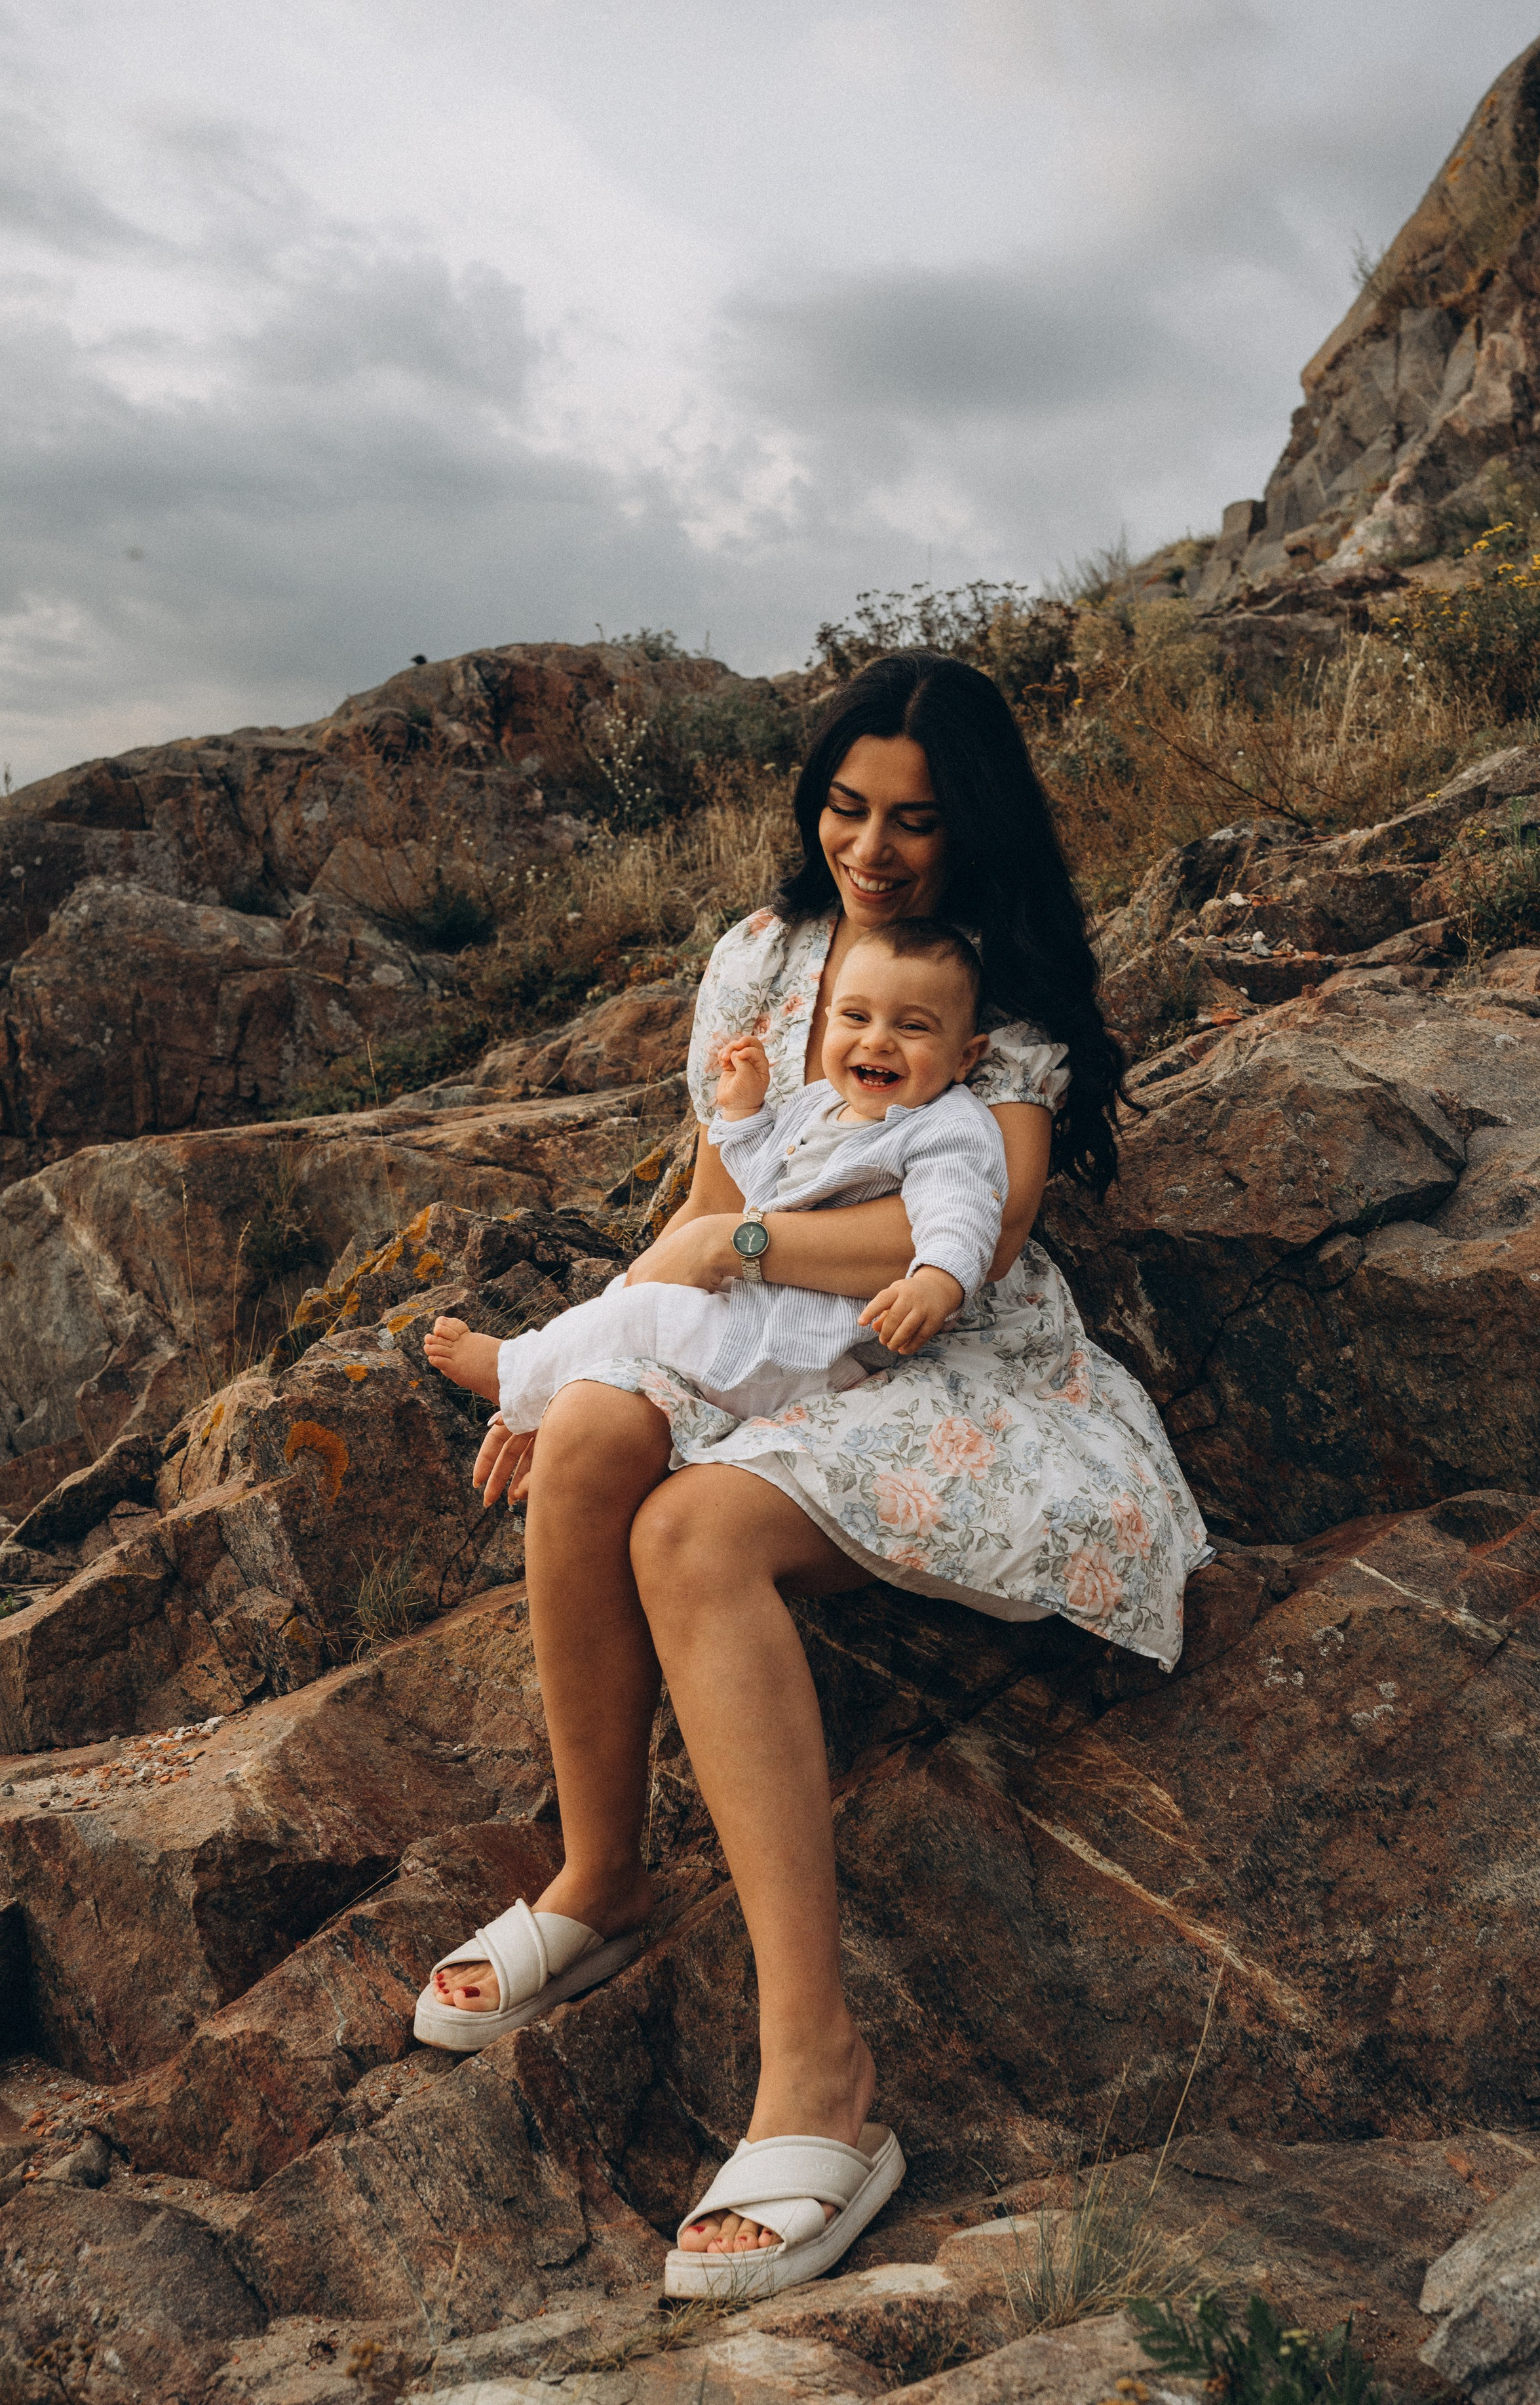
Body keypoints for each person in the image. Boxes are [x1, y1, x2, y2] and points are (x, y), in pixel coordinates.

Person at [410, 651, 1212, 2301]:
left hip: (928, 1344)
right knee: (594, 1447)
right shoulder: (762, 960)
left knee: (693, 1531)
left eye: (912, 820)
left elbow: (970, 1231)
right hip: (749, 1320)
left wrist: (743, 1239)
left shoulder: (1000, 989)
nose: (870, 847)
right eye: (845, 808)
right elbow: (704, 1198)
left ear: (968, 821)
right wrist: (591, 1345)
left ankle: (821, 2085)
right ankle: (597, 1873)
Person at [420, 919, 1008, 1429]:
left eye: (913, 1028)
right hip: (759, 1320)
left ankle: (515, 1372)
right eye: (856, 1016)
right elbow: (766, 1189)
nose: (877, 1040)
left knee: (645, 1315)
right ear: (828, 1020)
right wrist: (745, 1113)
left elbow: (961, 1209)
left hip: (798, 1349)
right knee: (633, 1302)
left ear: (965, 1057)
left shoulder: (948, 1125)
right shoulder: (816, 1104)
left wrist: (937, 1282)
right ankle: (544, 1385)